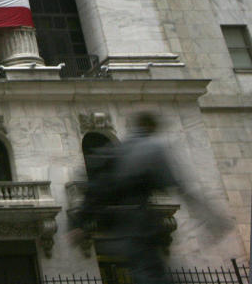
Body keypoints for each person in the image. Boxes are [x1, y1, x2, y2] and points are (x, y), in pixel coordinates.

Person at [69, 112, 231, 284]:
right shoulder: (152, 147)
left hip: (118, 225)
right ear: (151, 127)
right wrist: (209, 216)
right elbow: (178, 186)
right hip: (140, 221)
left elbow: (96, 187)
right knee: (152, 272)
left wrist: (80, 222)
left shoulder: (119, 149)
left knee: (144, 270)